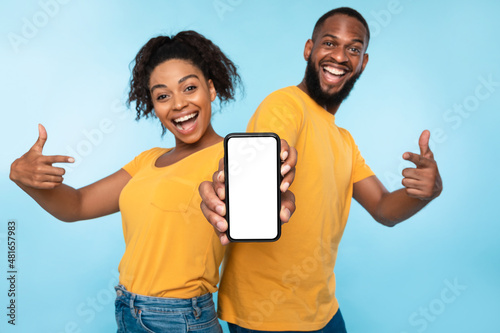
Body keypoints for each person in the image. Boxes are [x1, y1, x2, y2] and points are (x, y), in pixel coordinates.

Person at [9, 30, 296, 332]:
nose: (178, 104)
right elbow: (76, 206)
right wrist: (23, 177)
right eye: (163, 95)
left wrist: (277, 179)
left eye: (189, 88)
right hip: (127, 309)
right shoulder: (146, 160)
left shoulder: (232, 159)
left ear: (211, 89)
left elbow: (264, 193)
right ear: (153, 105)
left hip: (182, 318)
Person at [199, 7, 443, 333]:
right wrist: (272, 171)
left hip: (323, 309)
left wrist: (427, 192)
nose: (340, 56)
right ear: (308, 49)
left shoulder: (344, 140)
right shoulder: (286, 104)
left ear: (363, 63)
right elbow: (272, 153)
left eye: (353, 49)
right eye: (329, 43)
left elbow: (384, 208)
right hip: (267, 314)